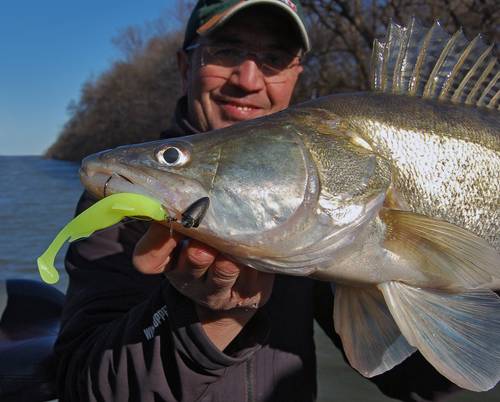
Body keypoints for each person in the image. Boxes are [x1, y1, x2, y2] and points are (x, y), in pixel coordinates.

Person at [54, 0, 459, 400]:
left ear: (295, 76)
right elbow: (83, 385)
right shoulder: (129, 203)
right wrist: (200, 318)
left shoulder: (320, 224)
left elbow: (420, 383)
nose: (248, 79)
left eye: (275, 58)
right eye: (226, 51)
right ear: (185, 67)